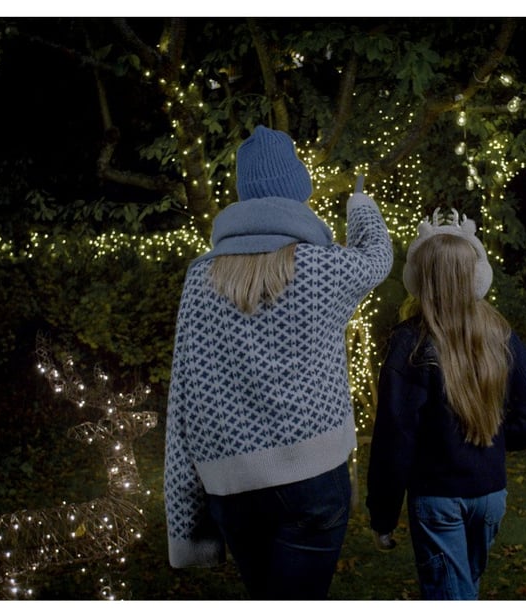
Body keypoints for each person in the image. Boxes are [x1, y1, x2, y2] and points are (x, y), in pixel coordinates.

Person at [164, 125, 393, 599]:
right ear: (299, 191)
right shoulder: (323, 266)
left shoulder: (200, 279)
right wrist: (361, 205)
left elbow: (183, 398)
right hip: (313, 478)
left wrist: (185, 511)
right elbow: (377, 257)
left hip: (230, 484)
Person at [366, 209, 526, 600]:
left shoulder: (409, 344)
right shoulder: (498, 333)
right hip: (490, 497)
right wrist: (492, 442)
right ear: (475, 276)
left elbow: (393, 438)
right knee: (463, 592)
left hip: (438, 498)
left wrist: (382, 515)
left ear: (421, 280)